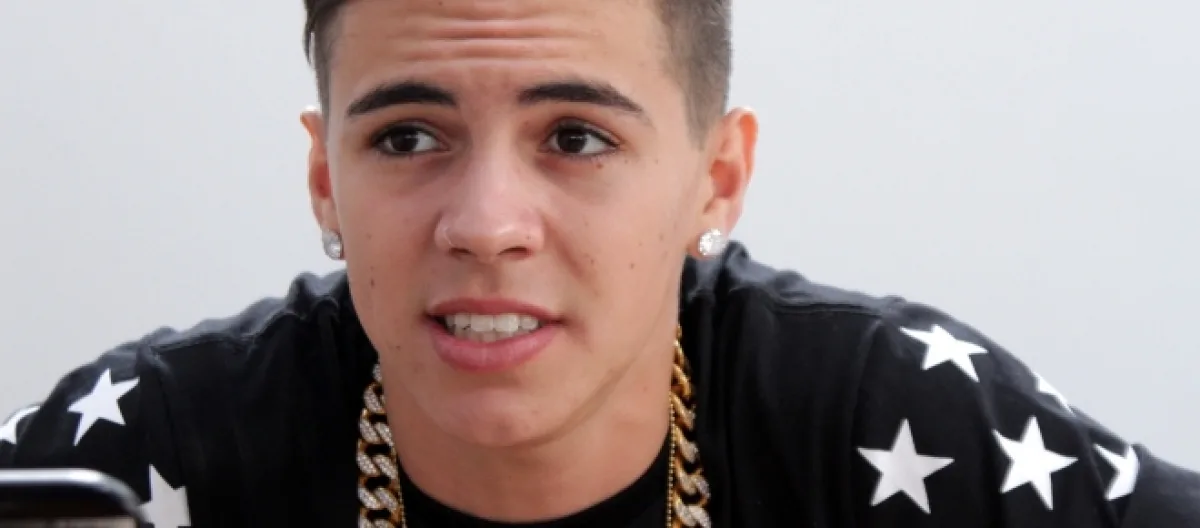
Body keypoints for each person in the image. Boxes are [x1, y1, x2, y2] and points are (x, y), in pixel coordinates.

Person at [1, 1, 1197, 526]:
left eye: (576, 138)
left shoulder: (882, 416)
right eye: (407, 137)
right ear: (325, 177)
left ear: (716, 178)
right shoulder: (153, 451)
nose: (486, 225)